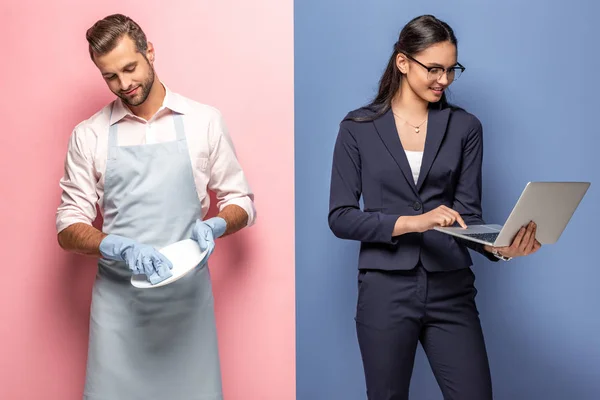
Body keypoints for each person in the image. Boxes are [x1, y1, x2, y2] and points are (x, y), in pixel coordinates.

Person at [328, 15, 540, 400]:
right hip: (384, 291)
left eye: (451, 69)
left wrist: (499, 249)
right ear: (403, 62)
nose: (443, 79)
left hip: (451, 287)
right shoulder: (357, 127)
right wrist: (414, 222)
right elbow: (341, 217)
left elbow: (468, 215)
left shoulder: (466, 127)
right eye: (434, 69)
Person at [55, 13, 256, 400]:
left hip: (188, 309)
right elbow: (68, 226)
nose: (124, 84)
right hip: (119, 312)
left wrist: (215, 225)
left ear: (150, 51)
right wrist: (117, 245)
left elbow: (241, 201)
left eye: (130, 68)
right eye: (110, 77)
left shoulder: (203, 121)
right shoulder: (89, 135)